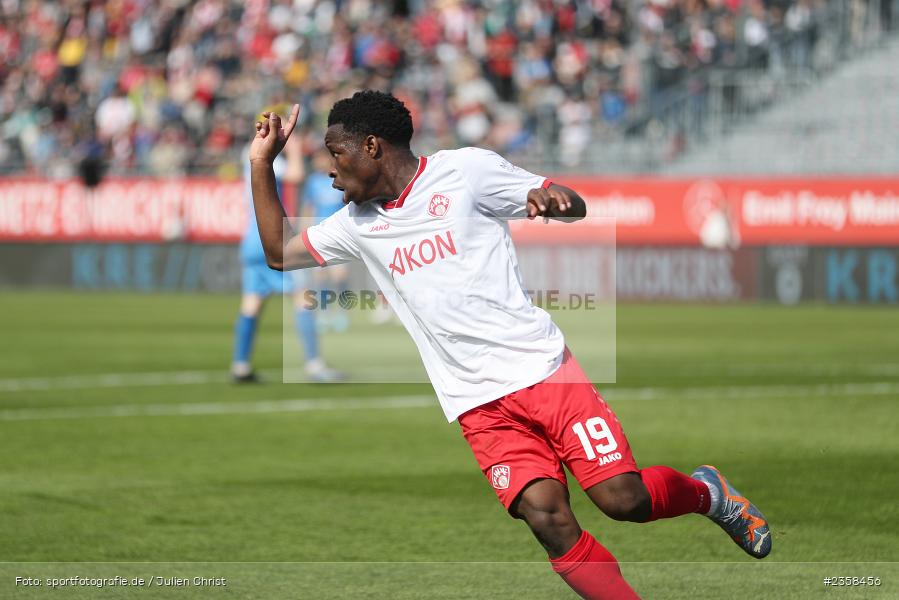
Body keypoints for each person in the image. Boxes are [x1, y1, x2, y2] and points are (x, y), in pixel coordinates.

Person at [248, 91, 771, 599]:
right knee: (549, 520)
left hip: (544, 373)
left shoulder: (465, 172)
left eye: (336, 155)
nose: (330, 171)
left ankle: (709, 494)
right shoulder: (357, 225)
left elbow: (572, 203)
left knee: (623, 500)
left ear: (372, 147)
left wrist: (553, 201)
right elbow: (278, 251)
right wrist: (261, 164)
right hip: (477, 404)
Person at [231, 112, 343, 384]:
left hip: (251, 239)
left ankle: (240, 365)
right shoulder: (267, 157)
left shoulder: (249, 153)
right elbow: (296, 174)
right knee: (303, 297)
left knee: (251, 304)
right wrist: (292, 149)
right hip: (273, 239)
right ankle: (314, 364)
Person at [302, 147, 351, 333]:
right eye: (316, 159)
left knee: (340, 277)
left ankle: (343, 313)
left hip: (339, 235)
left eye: (320, 159)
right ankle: (324, 314)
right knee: (320, 276)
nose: (317, 162)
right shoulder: (313, 181)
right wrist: (303, 230)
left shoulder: (338, 178)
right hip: (319, 235)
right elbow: (309, 207)